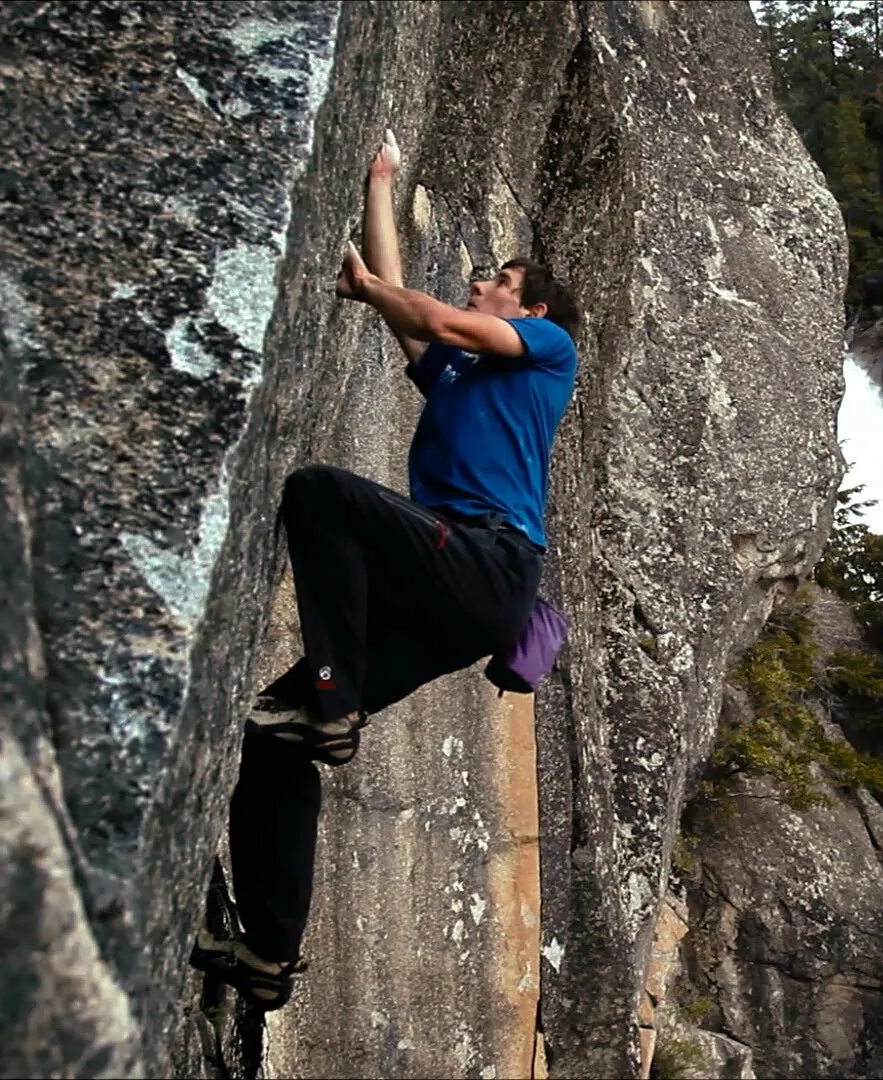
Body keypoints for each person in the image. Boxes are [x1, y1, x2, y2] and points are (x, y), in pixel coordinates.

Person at [190, 129, 580, 1009]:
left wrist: (372, 284)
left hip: (488, 564)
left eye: (498, 282)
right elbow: (405, 309)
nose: (479, 283)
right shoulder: (456, 378)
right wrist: (380, 183)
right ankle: (267, 955)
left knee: (320, 493)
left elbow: (429, 311)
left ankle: (333, 694)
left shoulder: (551, 356)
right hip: (445, 589)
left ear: (532, 312)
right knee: (273, 738)